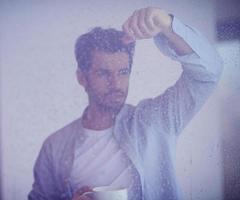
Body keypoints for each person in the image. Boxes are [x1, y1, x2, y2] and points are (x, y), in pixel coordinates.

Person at [28, 7, 223, 200]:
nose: (116, 84)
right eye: (103, 73)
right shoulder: (54, 147)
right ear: (82, 78)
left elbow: (209, 72)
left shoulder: (155, 121)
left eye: (123, 72)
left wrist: (168, 25)